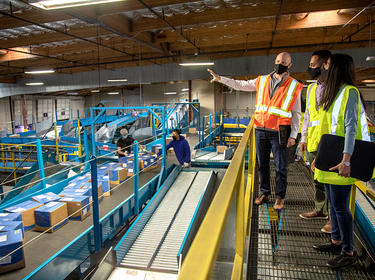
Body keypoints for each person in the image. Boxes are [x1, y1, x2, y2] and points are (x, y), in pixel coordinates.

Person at [208, 52, 302, 210]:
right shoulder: (262, 80)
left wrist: (293, 135)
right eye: (278, 61)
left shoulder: (294, 85)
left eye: (284, 62)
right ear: (275, 61)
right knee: (262, 164)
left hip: (280, 131)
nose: (280, 64)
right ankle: (264, 192)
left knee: (280, 166)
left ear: (289, 65)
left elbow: (297, 113)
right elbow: (241, 85)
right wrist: (221, 79)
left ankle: (280, 197)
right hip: (260, 129)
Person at [312, 53, 371, 269]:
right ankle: (336, 240)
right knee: (334, 205)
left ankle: (348, 251)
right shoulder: (333, 93)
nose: (324, 68)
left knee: (340, 207)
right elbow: (325, 128)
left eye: (327, 65)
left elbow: (351, 127)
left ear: (336, 68)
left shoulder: (350, 92)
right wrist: (318, 157)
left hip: (341, 161)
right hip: (329, 157)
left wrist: (346, 160)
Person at [299, 50, 332, 234]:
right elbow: (308, 117)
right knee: (317, 179)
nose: (310, 68)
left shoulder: (336, 88)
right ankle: (319, 210)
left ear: (325, 64)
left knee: (330, 181)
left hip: (330, 142)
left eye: (313, 65)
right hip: (313, 141)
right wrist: (303, 138)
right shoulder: (311, 88)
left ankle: (331, 217)